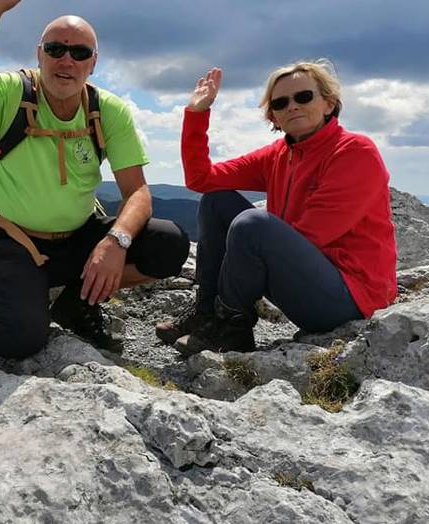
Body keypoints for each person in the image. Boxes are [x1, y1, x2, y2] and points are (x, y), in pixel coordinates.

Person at [0, 0, 189, 359]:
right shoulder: (10, 94)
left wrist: (115, 242)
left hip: (77, 239)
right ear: (39, 54)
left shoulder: (107, 110)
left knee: (168, 243)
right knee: (17, 343)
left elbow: (138, 192)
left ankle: (77, 302)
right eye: (55, 49)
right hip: (14, 240)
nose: (66, 60)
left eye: (79, 53)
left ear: (93, 63)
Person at [155, 62, 397, 355]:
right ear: (274, 116)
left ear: (329, 103)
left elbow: (310, 237)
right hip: (304, 280)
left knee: (253, 225)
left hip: (349, 300)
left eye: (303, 97)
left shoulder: (354, 152)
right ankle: (207, 314)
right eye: (280, 103)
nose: (292, 106)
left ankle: (230, 326)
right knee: (216, 200)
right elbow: (201, 179)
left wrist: (243, 259)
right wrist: (197, 113)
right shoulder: (279, 155)